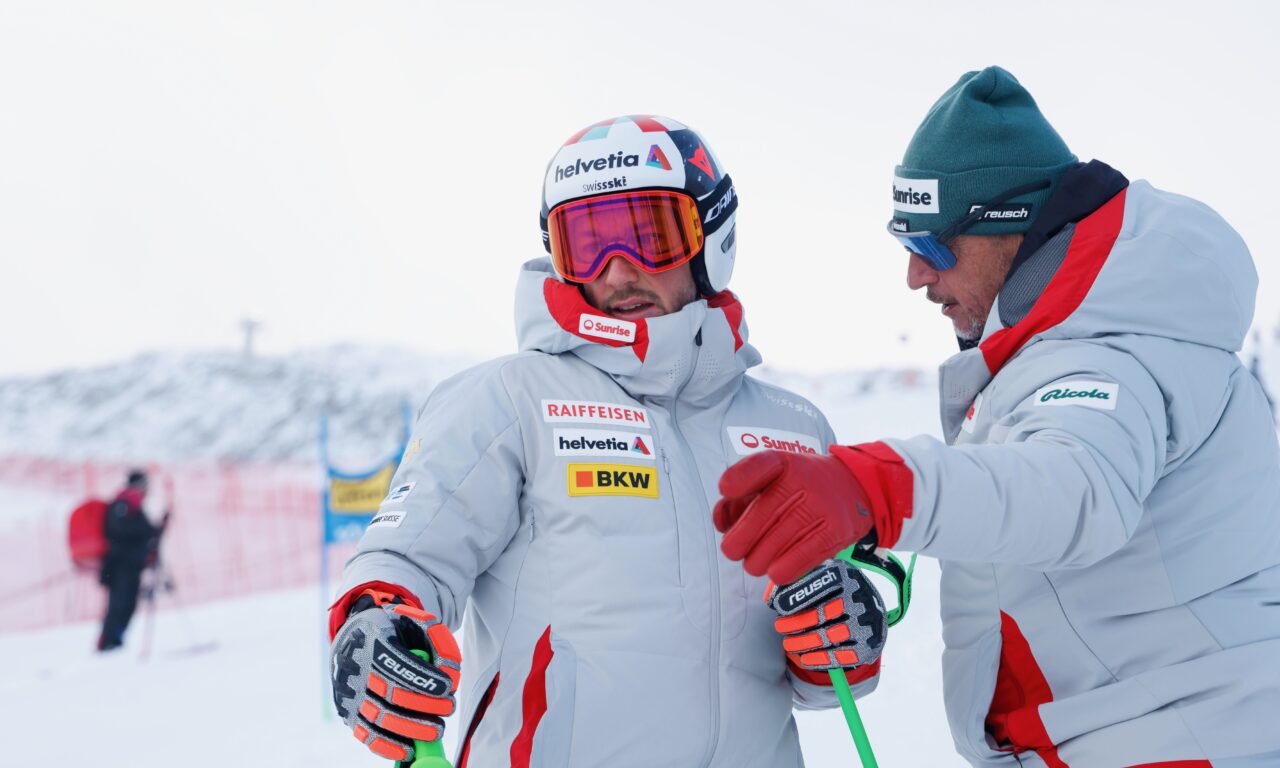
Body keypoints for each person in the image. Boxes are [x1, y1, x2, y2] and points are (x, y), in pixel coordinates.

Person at [713, 67, 1280, 767]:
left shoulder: (1109, 356)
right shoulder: (1072, 343)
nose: (917, 278)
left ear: (1011, 227)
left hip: (1174, 741)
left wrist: (875, 489)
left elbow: (1076, 489)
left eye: (932, 247)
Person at [327, 115, 889, 767]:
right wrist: (374, 618)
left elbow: (823, 669)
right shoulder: (509, 400)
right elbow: (407, 559)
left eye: (649, 235)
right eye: (585, 244)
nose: (617, 272)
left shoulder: (795, 430)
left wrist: (843, 637)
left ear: (712, 237)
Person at [97, 469, 166, 651]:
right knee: (119, 603)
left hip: (131, 564)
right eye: (145, 485)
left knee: (129, 603)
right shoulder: (123, 503)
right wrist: (148, 532)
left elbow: (144, 530)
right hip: (119, 564)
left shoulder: (133, 505)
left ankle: (116, 639)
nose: (147, 490)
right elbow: (120, 529)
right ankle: (108, 642)